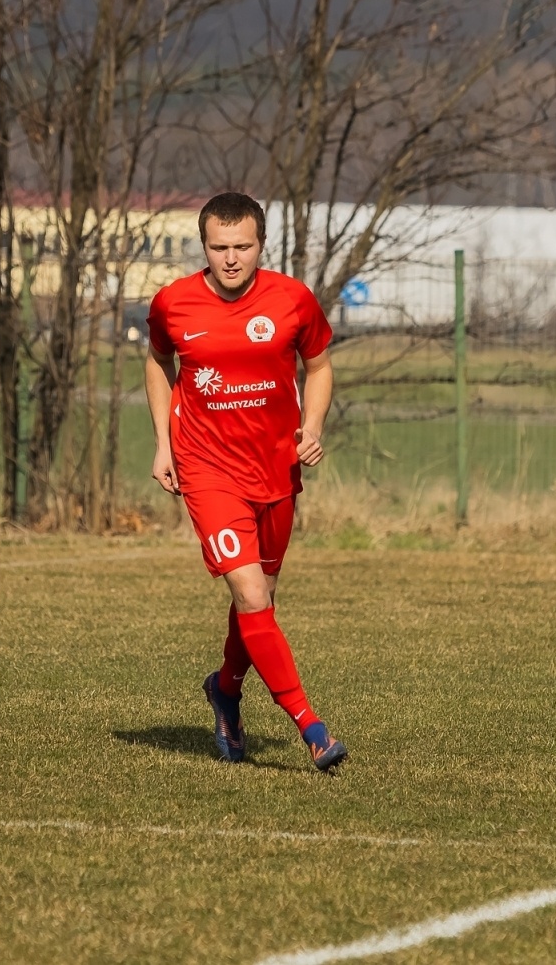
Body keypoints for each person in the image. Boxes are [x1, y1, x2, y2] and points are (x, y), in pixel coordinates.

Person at [145, 191, 347, 772]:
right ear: (203, 247)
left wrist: (312, 425)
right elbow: (158, 362)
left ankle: (226, 689)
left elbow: (321, 365)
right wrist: (163, 442)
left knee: (261, 598)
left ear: (261, 244)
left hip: (276, 468)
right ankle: (312, 728)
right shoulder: (173, 303)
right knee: (252, 594)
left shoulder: (292, 300)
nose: (231, 259)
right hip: (207, 468)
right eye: (218, 247)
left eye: (242, 246)